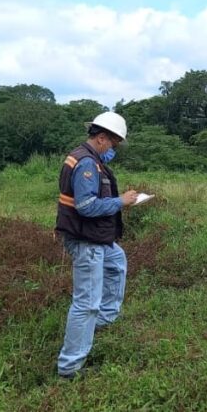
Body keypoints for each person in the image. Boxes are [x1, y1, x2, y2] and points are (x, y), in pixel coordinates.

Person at [55, 111, 138, 379]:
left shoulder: (88, 159)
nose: (113, 150)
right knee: (86, 303)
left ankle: (103, 321)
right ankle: (69, 369)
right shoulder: (87, 164)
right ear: (101, 138)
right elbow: (87, 206)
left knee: (117, 263)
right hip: (86, 240)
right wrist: (121, 202)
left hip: (98, 238)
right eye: (113, 144)